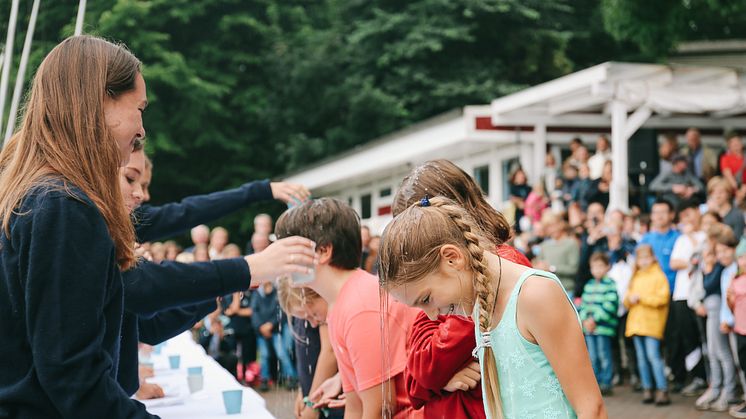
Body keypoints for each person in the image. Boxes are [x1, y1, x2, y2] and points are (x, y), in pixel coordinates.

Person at [0, 35, 155, 418]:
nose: (142, 130)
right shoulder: (64, 208)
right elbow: (73, 375)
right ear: (100, 101)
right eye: (139, 108)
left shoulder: (32, 197)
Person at [380, 196, 605, 418]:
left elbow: (591, 409)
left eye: (426, 299)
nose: (430, 316)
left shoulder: (536, 295)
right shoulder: (480, 306)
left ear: (452, 258)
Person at [392, 159, 530, 419]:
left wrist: (428, 381)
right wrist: (432, 380)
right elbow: (417, 376)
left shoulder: (496, 269)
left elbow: (425, 368)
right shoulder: (452, 277)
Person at [275, 199, 423, 419]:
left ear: (323, 251)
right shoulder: (338, 305)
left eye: (291, 249)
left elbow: (380, 408)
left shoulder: (359, 306)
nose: (281, 259)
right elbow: (355, 405)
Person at [276, 277, 344, 419]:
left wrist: (312, 404)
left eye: (310, 316)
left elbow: (329, 353)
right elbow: (306, 356)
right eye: (305, 318)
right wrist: (303, 389)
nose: (312, 323)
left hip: (330, 397)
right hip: (313, 392)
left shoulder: (322, 312)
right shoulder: (308, 308)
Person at [694, 227, 738, 412]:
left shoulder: (725, 266)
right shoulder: (720, 264)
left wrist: (709, 267)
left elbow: (709, 285)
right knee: (713, 353)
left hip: (723, 315)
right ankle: (716, 387)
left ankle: (729, 391)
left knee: (724, 354)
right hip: (717, 314)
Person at [667, 200, 707, 395]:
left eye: (689, 215)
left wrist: (691, 239)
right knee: (687, 337)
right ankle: (697, 377)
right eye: (683, 217)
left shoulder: (703, 235)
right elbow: (674, 263)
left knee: (703, 337)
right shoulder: (681, 239)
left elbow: (700, 258)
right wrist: (691, 262)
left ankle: (708, 377)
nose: (687, 220)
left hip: (699, 294)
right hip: (680, 295)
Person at [624, 245, 671, 406]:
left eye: (646, 257)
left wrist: (642, 298)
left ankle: (662, 389)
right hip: (636, 324)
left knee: (653, 357)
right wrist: (630, 299)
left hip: (652, 324)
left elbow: (663, 299)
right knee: (642, 359)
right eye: (640, 258)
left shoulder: (659, 276)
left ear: (653, 258)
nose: (643, 261)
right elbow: (627, 298)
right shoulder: (635, 276)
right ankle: (648, 388)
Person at [579, 252, 619, 396]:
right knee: (592, 356)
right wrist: (584, 319)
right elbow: (583, 305)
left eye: (600, 267)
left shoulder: (610, 284)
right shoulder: (589, 284)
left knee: (604, 355)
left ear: (607, 267)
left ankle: (606, 382)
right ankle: (595, 383)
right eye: (594, 267)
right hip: (589, 329)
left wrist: (594, 319)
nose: (597, 270)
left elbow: (610, 305)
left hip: (603, 328)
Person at [251, 282, 298, 391]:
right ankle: (265, 379)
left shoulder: (277, 292)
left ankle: (291, 377)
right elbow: (254, 312)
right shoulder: (257, 294)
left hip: (275, 329)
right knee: (264, 355)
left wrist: (271, 325)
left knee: (281, 353)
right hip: (261, 331)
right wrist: (261, 327)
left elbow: (281, 311)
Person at [639, 199, 680, 293]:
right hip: (649, 291)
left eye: (663, 212)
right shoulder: (646, 239)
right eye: (656, 212)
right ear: (651, 216)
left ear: (672, 215)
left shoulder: (679, 238)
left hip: (673, 290)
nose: (659, 216)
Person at [726, 238, 746, 419]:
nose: (743, 262)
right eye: (740, 258)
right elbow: (731, 302)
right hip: (740, 328)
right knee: (743, 363)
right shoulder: (735, 278)